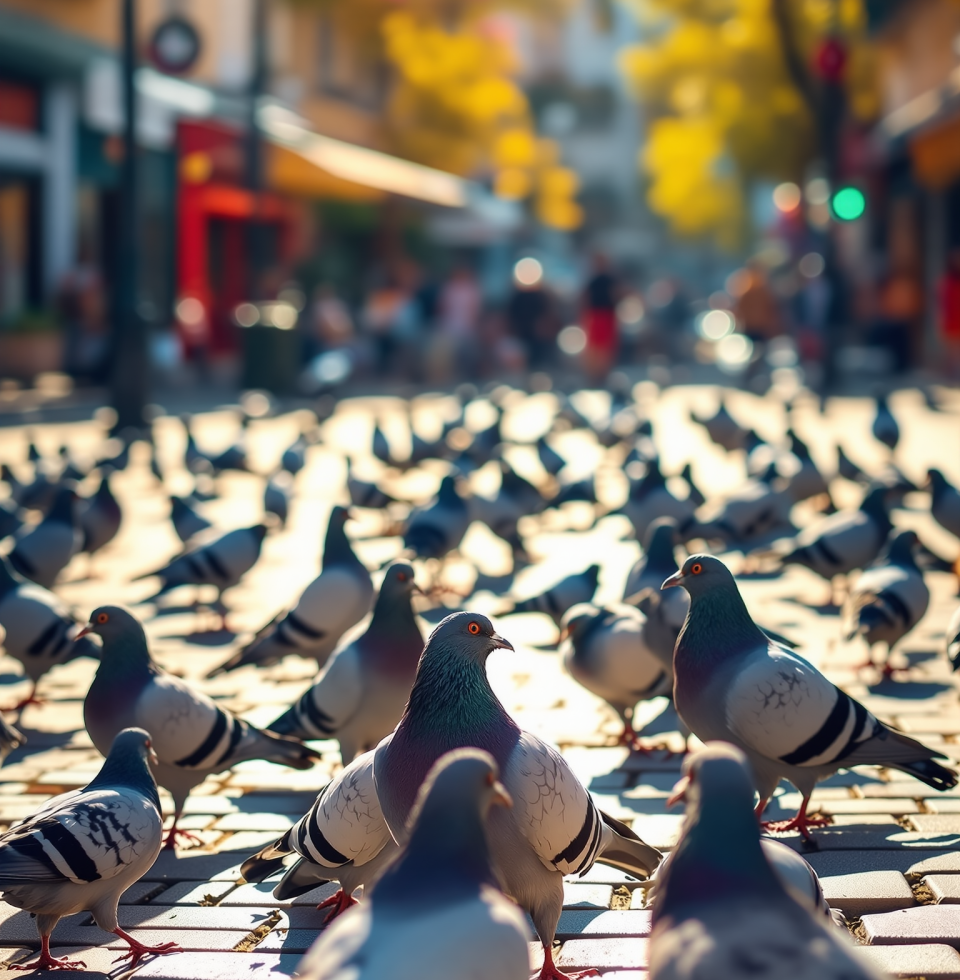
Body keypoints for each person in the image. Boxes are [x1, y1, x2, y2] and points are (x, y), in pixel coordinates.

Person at [436, 266, 482, 381]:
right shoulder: (449, 288)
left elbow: (474, 311)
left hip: (466, 330)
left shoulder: (470, 289)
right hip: (450, 329)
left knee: (467, 357)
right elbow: (442, 308)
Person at [582, 253, 619, 382]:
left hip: (607, 316)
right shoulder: (593, 281)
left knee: (605, 348)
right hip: (595, 316)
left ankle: (602, 374)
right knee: (594, 347)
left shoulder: (610, 280)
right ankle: (594, 375)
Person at [939, 250, 960, 378]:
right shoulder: (946, 282)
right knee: (951, 355)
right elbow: (942, 304)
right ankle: (950, 377)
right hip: (950, 323)